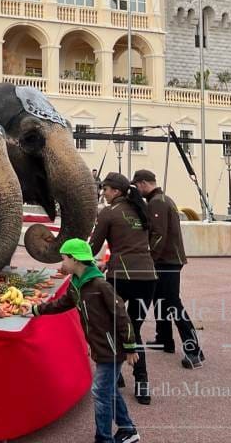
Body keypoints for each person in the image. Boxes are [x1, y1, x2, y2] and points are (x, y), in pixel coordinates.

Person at [33, 238, 141, 443]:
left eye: (64, 258)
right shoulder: (76, 284)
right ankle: (128, 430)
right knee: (109, 390)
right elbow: (63, 304)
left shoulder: (101, 285)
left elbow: (122, 315)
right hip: (101, 348)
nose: (62, 263)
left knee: (100, 392)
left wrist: (130, 346)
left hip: (112, 348)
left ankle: (104, 438)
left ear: (75, 260)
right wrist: (37, 310)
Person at [89, 172, 157, 404]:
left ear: (116, 191)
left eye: (105, 189)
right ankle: (142, 385)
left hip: (121, 277)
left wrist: (74, 258)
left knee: (112, 323)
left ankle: (115, 376)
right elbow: (138, 243)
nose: (103, 193)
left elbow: (93, 246)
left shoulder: (109, 213)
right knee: (134, 328)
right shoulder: (141, 209)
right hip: (148, 277)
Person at [132, 169, 204, 368]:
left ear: (144, 183)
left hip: (167, 261)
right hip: (168, 260)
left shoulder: (157, 203)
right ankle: (164, 339)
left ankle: (194, 350)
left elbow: (159, 236)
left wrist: (149, 258)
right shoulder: (163, 200)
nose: (137, 190)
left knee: (172, 303)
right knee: (161, 300)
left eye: (137, 186)